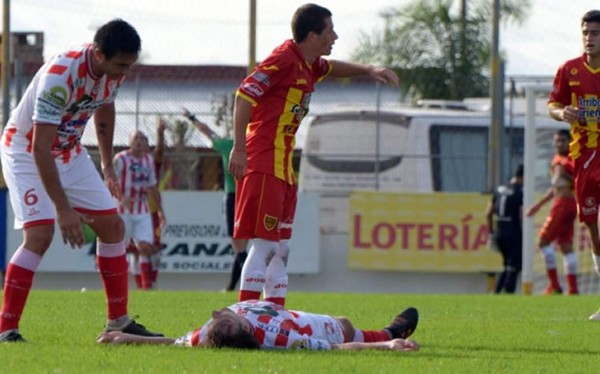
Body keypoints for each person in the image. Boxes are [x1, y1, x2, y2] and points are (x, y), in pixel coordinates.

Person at [0, 19, 162, 342]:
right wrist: (63, 209)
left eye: (129, 67)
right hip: (25, 149)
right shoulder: (60, 76)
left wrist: (107, 162)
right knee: (40, 234)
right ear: (99, 54)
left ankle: (118, 322)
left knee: (114, 227)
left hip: (68, 151)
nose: (124, 74)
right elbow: (40, 148)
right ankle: (6, 330)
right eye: (120, 66)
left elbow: (105, 108)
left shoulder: (110, 73)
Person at [228, 3, 400, 306]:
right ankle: (246, 319)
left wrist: (369, 70)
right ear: (311, 35)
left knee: (282, 248)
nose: (335, 36)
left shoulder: (309, 63)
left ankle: (274, 316)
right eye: (329, 30)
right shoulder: (282, 60)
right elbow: (244, 95)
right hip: (264, 160)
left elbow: (333, 69)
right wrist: (239, 148)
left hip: (283, 166)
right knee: (265, 245)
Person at [97, 299, 419, 351]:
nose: (216, 314)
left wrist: (126, 337)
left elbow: (173, 343)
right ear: (245, 328)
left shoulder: (209, 334)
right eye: (224, 316)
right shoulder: (278, 338)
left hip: (276, 309)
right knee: (345, 325)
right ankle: (392, 331)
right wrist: (385, 345)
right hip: (313, 325)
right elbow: (337, 347)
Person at [548, 9, 600, 319]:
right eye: (585, 33)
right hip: (584, 159)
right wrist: (561, 113)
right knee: (592, 228)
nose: (589, 38)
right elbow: (553, 104)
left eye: (594, 33)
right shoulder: (569, 70)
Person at [183, 107, 248, 292]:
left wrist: (191, 116)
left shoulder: (229, 144)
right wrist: (191, 117)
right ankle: (235, 287)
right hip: (241, 197)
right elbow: (207, 131)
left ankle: (240, 286)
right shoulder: (234, 145)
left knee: (240, 247)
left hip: (237, 197)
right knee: (240, 247)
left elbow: (207, 131)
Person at [526, 130, 578, 295]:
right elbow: (555, 188)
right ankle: (573, 289)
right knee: (565, 246)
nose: (559, 144)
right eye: (557, 141)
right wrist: (538, 205)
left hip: (564, 204)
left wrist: (567, 176)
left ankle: (555, 285)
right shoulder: (557, 159)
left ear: (570, 142)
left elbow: (580, 181)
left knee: (543, 242)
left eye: (562, 141)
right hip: (565, 203)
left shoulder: (571, 159)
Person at [114, 129, 166, 290]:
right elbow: (109, 180)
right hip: (122, 210)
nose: (139, 141)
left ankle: (145, 288)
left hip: (142, 210)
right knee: (119, 249)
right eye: (136, 138)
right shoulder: (121, 159)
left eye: (143, 138)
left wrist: (160, 210)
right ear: (129, 141)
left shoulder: (148, 161)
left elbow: (151, 186)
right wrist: (121, 197)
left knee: (145, 247)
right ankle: (116, 285)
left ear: (146, 143)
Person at [486, 164, 524, 294]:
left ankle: (496, 292)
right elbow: (521, 215)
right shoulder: (520, 192)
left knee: (507, 265)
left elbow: (488, 213)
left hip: (499, 232)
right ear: (523, 177)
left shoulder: (499, 189)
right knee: (514, 265)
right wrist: (524, 233)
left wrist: (491, 233)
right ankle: (508, 292)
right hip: (513, 231)